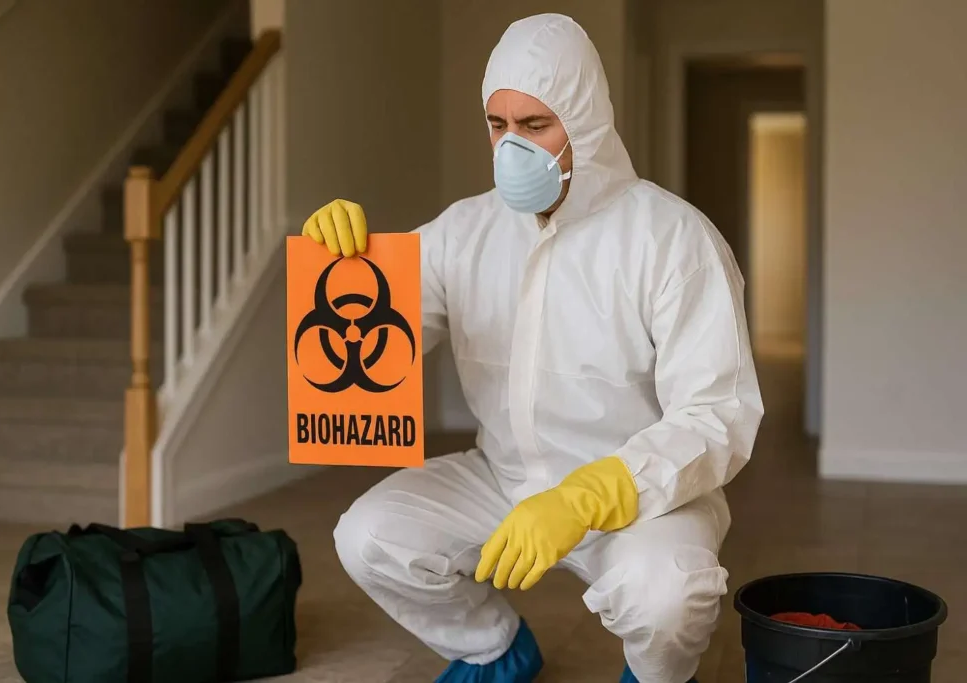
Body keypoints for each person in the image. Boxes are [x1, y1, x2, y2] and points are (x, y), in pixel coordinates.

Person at [303, 13, 763, 683]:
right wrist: (341, 267)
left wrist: (588, 496)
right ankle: (495, 648)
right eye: (499, 124)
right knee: (369, 535)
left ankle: (656, 676)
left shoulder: (670, 238)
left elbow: (719, 413)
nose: (512, 146)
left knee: (670, 593)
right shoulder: (465, 232)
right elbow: (373, 345)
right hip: (505, 476)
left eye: (536, 125)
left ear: (586, 121)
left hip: (636, 493)